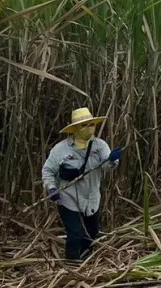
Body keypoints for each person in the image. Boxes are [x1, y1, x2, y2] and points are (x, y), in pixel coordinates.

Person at [41, 107, 122, 262]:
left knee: (92, 232)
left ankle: (86, 261)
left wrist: (112, 160)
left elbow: (107, 166)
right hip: (67, 198)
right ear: (75, 129)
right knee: (75, 233)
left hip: (92, 198)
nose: (89, 128)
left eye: (91, 124)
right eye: (84, 126)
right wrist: (51, 188)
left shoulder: (100, 146)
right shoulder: (60, 150)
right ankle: (72, 265)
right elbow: (48, 170)